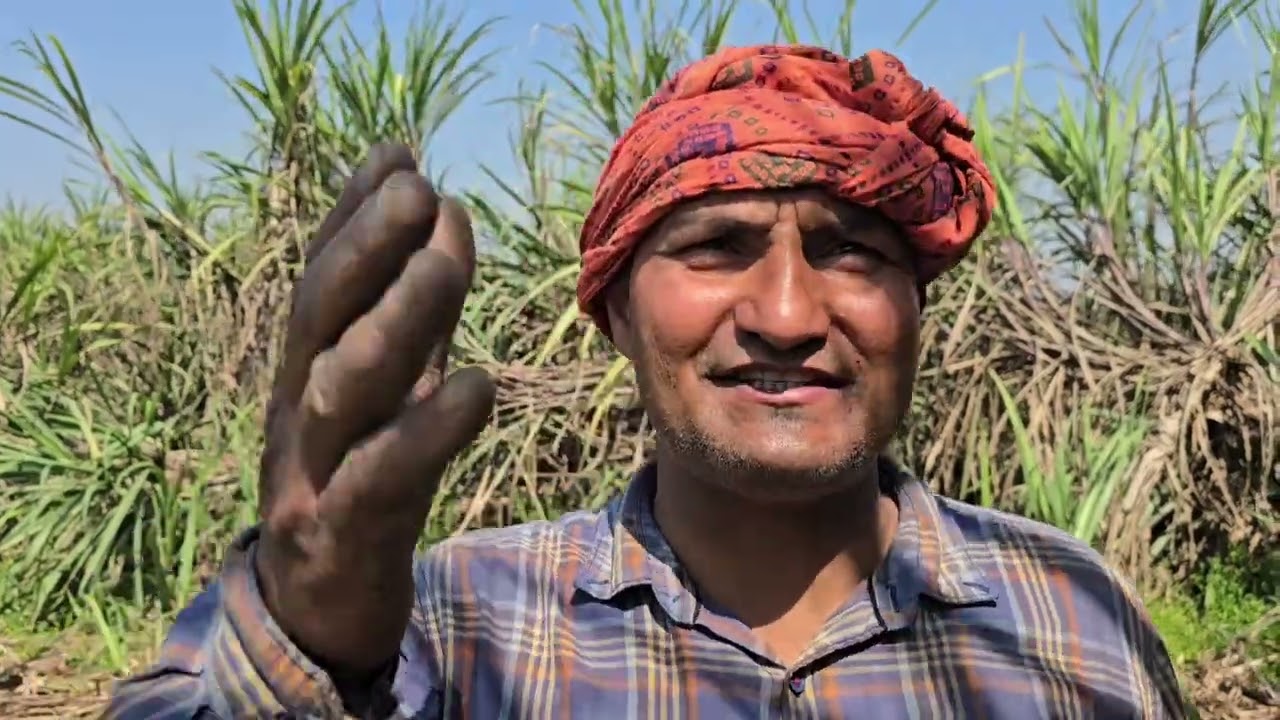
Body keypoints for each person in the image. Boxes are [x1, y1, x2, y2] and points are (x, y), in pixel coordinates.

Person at [103, 45, 1186, 719]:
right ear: (614, 309)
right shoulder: (448, 627)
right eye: (715, 245)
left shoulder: (1068, 615)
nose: (785, 316)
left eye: (851, 251)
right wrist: (308, 648)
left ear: (916, 307)